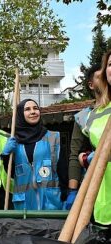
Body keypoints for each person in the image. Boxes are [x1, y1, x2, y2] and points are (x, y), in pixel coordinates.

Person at [2, 99, 67, 210]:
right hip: (24, 207)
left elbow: (63, 171)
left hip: (51, 205)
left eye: (35, 108)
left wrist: (67, 195)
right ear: (20, 115)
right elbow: (12, 174)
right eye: (27, 109)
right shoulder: (14, 142)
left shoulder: (53, 137)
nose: (33, 112)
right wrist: (6, 155)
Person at [80, 50, 111, 225]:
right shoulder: (90, 116)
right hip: (103, 197)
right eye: (110, 64)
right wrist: (87, 158)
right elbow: (80, 153)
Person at [66, 64, 101, 210]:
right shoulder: (83, 117)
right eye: (100, 77)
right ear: (91, 85)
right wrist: (73, 190)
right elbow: (75, 155)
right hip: (96, 185)